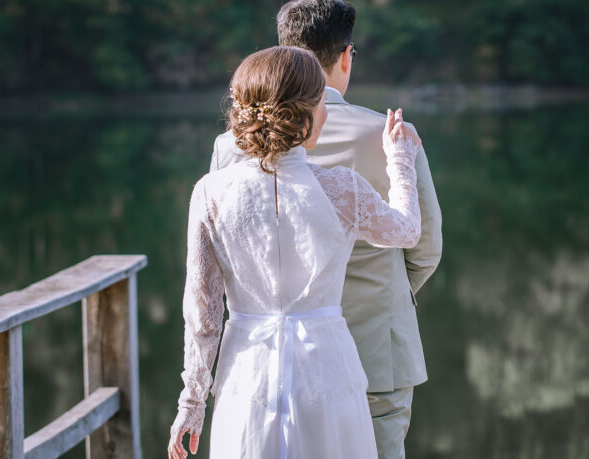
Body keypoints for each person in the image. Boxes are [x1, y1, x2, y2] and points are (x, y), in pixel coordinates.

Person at [210, 0, 442, 459]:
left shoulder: (232, 146)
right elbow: (425, 247)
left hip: (267, 364)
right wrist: (388, 291)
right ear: (345, 56)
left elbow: (224, 253)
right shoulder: (389, 135)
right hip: (377, 352)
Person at [168, 45, 423, 458]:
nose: (325, 112)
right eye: (322, 102)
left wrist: (192, 403)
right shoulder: (341, 189)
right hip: (327, 371)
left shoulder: (210, 194)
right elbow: (408, 231)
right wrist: (399, 162)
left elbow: (203, 314)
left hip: (246, 376)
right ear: (301, 115)